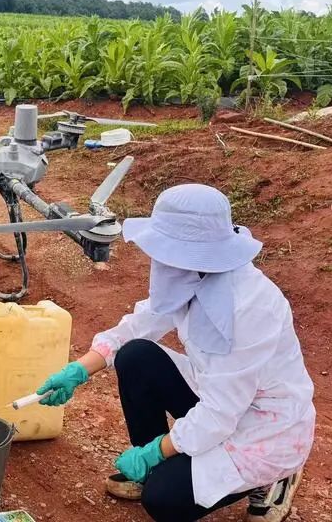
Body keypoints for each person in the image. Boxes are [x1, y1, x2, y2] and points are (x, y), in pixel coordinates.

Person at [36, 184, 315, 522]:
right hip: (218, 399)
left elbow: (220, 414)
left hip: (263, 424)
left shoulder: (248, 308)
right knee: (136, 356)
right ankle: (159, 464)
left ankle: (272, 478)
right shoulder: (189, 275)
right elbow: (139, 325)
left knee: (164, 499)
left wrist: (155, 452)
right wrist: (79, 370)